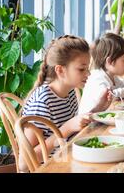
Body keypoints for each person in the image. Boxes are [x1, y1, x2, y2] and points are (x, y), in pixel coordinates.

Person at [20, 35, 105, 172]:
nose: (88, 74)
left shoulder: (70, 91)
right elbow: (24, 162)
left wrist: (99, 107)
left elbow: (73, 130)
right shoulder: (42, 101)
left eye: (88, 68)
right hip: (54, 168)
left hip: (70, 160)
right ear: (60, 70)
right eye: (81, 69)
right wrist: (66, 129)